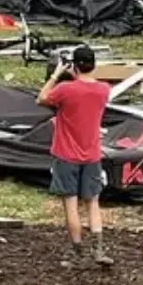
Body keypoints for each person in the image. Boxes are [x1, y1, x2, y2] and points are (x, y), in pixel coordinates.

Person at [37, 45, 111, 267]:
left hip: (66, 155)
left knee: (71, 204)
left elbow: (41, 98)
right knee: (93, 203)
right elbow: (86, 89)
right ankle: (98, 250)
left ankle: (77, 251)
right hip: (92, 155)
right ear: (94, 65)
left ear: (74, 65)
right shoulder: (103, 89)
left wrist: (57, 75)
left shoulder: (66, 90)